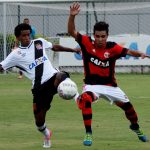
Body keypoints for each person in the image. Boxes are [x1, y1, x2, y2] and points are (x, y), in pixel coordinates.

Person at [68, 2, 149, 146]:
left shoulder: (113, 48)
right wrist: (72, 17)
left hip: (111, 87)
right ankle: (88, 133)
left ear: (107, 35)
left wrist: (141, 53)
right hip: (92, 86)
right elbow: (72, 31)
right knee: (86, 99)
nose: (100, 39)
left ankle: (135, 128)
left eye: (103, 36)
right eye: (97, 36)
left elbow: (129, 51)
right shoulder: (86, 42)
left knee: (130, 110)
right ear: (94, 35)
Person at [0, 23, 80, 148]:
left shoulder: (39, 42)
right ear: (18, 38)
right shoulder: (16, 54)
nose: (27, 37)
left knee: (61, 76)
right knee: (39, 121)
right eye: (24, 35)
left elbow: (55, 47)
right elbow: (1, 66)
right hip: (39, 89)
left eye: (28, 34)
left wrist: (73, 50)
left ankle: (78, 98)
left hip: (53, 78)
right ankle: (47, 134)